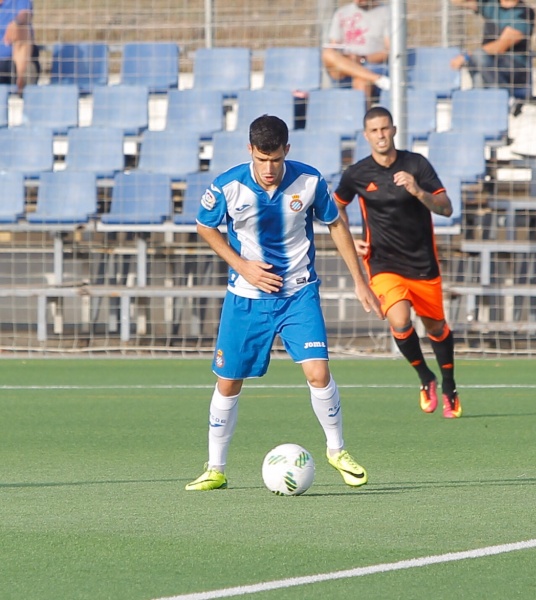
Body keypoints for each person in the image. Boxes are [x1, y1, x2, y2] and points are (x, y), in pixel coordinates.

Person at [186, 114, 384, 492]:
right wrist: (243, 266)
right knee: (229, 382)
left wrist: (359, 281)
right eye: (262, 160)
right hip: (246, 299)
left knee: (318, 373)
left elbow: (336, 224)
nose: (269, 168)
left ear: (286, 151)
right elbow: (204, 226)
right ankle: (215, 468)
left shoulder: (309, 181)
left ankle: (337, 450)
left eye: (276, 159)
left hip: (298, 293)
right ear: (250, 152)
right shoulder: (228, 186)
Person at [334, 106, 462, 419]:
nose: (380, 135)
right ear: (366, 136)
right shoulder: (356, 174)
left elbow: (446, 208)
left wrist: (418, 191)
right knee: (400, 321)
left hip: (422, 264)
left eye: (385, 129)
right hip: (382, 264)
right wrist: (352, 239)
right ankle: (424, 377)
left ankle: (448, 384)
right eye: (374, 130)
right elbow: (335, 208)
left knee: (436, 328)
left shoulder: (416, 164)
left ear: (393, 130)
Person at [449, 0, 535, 98]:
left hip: (513, 68)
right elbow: (458, 1)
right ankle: (484, 104)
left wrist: (468, 55)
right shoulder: (491, 4)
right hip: (487, 65)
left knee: (478, 57)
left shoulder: (524, 12)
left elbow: (501, 46)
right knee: (477, 65)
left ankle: (500, 97)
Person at [322, 0, 391, 106]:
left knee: (361, 81)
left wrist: (362, 58)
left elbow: (390, 51)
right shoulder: (341, 13)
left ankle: (362, 120)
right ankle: (377, 79)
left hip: (372, 65)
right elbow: (334, 46)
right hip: (345, 67)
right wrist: (347, 57)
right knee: (328, 53)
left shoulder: (387, 13)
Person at [0, 0, 38, 93]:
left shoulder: (18, 2)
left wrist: (15, 23)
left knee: (21, 28)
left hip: (14, 62)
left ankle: (21, 78)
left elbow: (25, 15)